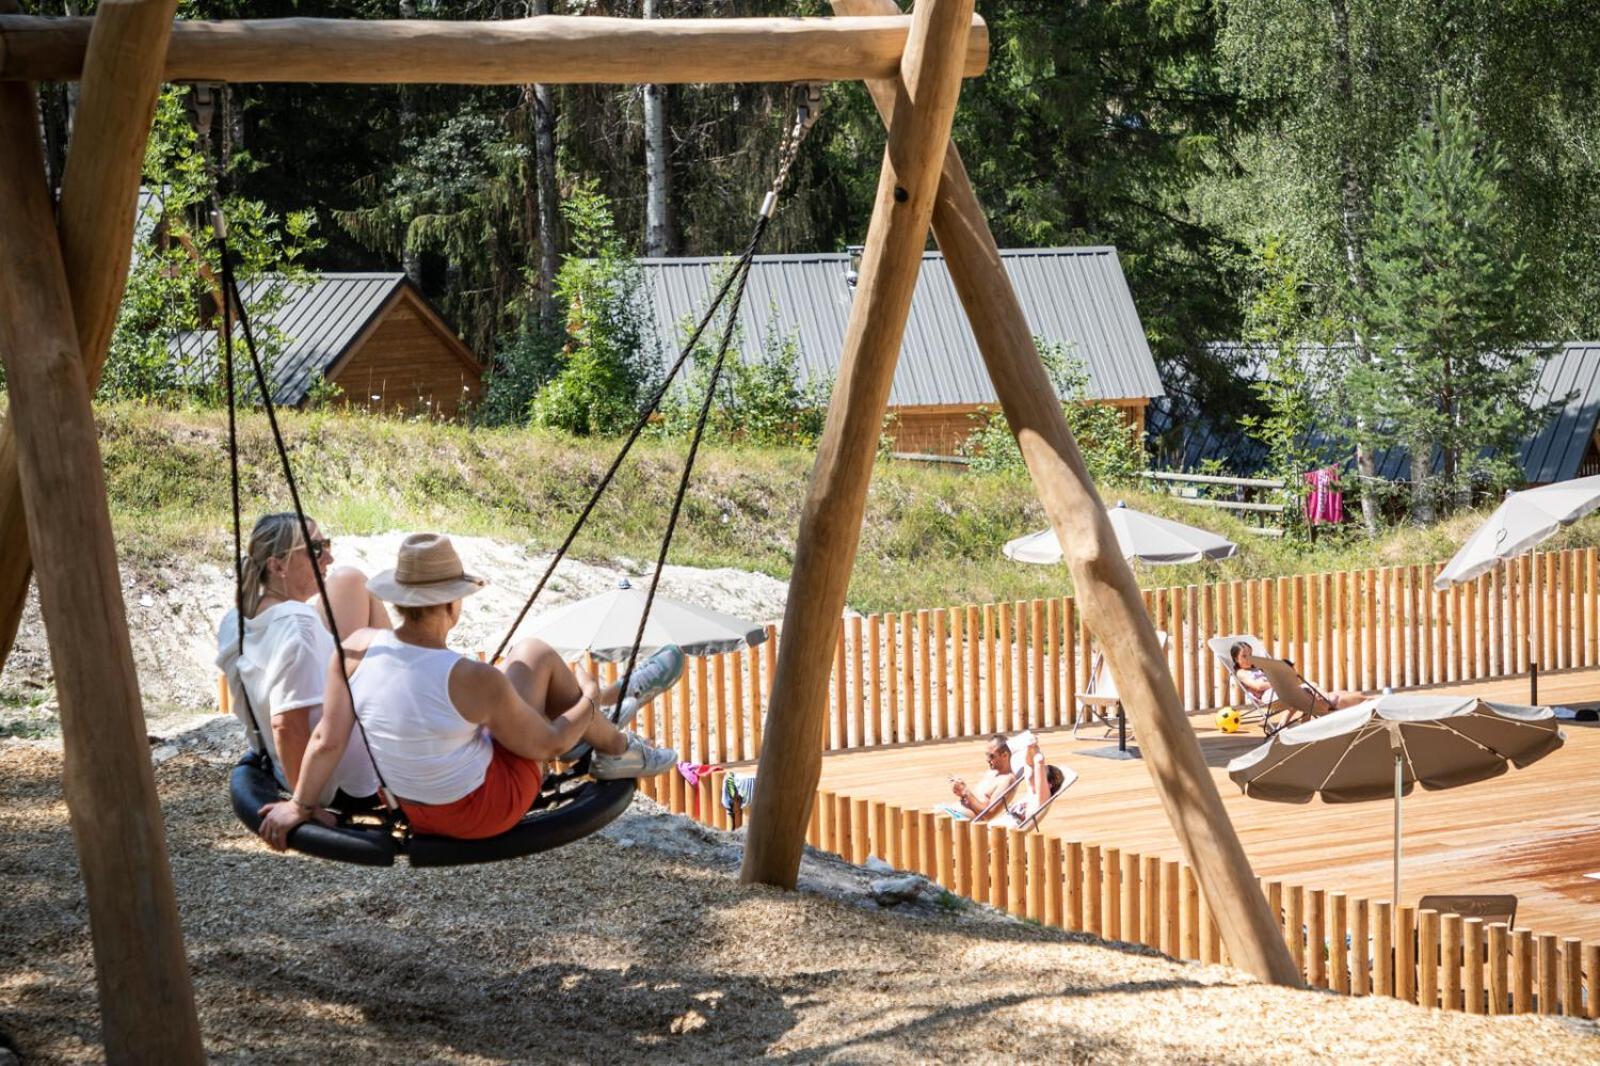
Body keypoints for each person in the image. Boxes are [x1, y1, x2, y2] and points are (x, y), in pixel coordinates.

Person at [256, 533, 681, 847]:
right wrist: (586, 700)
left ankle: (607, 723)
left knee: (524, 676)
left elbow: (325, 740)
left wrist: (300, 804)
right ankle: (615, 742)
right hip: (485, 811)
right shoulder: (471, 678)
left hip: (413, 809)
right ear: (452, 604)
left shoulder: (354, 650)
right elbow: (547, 746)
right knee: (533, 653)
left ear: (400, 601)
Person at [216, 512, 389, 806]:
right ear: (277, 565)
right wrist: (303, 805)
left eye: (327, 544)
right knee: (391, 655)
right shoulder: (297, 625)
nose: (329, 558)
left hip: (285, 767)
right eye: (316, 549)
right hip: (336, 782)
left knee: (350, 580)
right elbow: (286, 724)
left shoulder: (235, 619)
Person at [1228, 642, 1363, 715]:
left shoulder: (1258, 667)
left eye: (1250, 654)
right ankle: (1330, 704)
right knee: (1304, 691)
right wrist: (1277, 682)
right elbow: (1258, 686)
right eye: (1244, 656)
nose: (1249, 658)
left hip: (1279, 691)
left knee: (1311, 685)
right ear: (1236, 659)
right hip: (1268, 697)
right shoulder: (1241, 673)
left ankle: (1326, 701)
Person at [949, 733, 1036, 823]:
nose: (987, 759)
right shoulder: (991, 773)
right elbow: (975, 799)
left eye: (991, 756)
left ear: (1005, 755)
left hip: (962, 822)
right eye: (987, 755)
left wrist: (966, 791)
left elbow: (989, 814)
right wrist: (961, 792)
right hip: (953, 813)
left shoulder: (1008, 780)